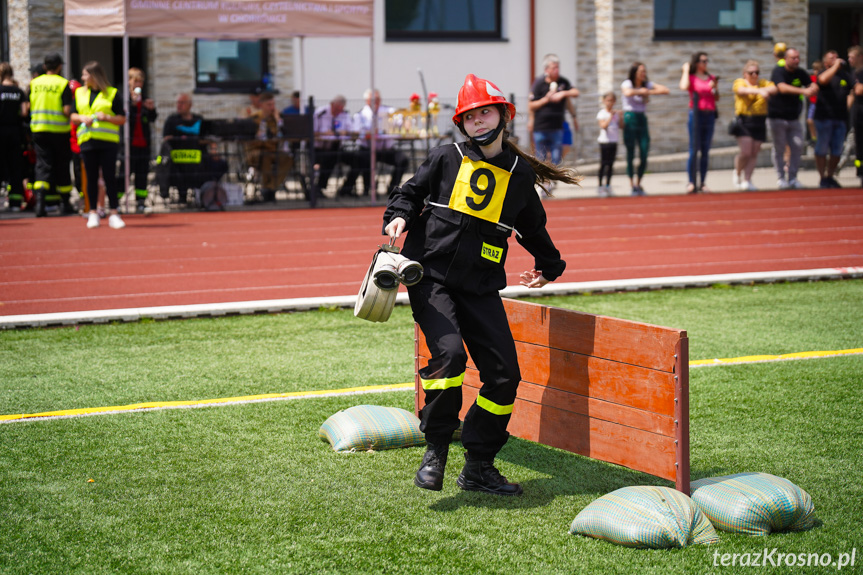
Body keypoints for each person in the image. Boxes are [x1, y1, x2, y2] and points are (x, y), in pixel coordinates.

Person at [383, 74, 580, 496]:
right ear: (461, 124)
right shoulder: (444, 157)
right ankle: (436, 449)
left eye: (485, 112)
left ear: (503, 115)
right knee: (450, 358)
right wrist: (396, 217)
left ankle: (479, 465)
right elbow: (409, 193)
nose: (477, 121)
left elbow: (533, 229)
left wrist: (551, 266)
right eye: (469, 116)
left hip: (481, 287)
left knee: (505, 376)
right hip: (431, 280)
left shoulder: (519, 175)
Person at [70, 61, 127, 230]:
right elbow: (73, 115)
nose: (82, 78)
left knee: (110, 177)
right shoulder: (80, 93)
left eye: (85, 74)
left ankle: (114, 213)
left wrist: (107, 117)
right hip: (88, 141)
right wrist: (81, 118)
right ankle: (93, 212)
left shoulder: (112, 93)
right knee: (91, 178)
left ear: (94, 76)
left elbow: (122, 118)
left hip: (108, 142)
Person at [28, 53, 74, 216]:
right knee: (62, 165)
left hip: (39, 130)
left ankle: (40, 203)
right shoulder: (63, 84)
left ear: (45, 66)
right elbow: (66, 110)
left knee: (43, 165)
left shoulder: (34, 83)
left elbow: (27, 107)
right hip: (59, 131)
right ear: (59, 66)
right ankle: (65, 203)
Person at [767, 47, 818, 189]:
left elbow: (811, 83)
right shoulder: (778, 71)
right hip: (777, 117)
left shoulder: (800, 72)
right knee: (780, 147)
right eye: (793, 58)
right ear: (786, 59)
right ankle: (781, 178)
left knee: (797, 145)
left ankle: (793, 178)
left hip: (794, 118)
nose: (796, 60)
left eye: (798, 58)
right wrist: (804, 91)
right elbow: (782, 88)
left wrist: (813, 87)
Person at [620, 62, 670, 195]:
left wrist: (648, 91)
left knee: (644, 150)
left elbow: (665, 90)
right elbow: (627, 92)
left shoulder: (646, 85)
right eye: (641, 71)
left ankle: (639, 182)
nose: (643, 74)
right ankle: (632, 184)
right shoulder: (627, 83)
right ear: (634, 72)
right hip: (630, 118)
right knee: (630, 152)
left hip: (642, 118)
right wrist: (639, 91)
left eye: (644, 71)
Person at [351, 88, 410, 197]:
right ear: (367, 101)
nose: (375, 102)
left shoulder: (388, 111)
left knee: (403, 160)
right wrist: (371, 133)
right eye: (373, 99)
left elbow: (401, 118)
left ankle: (392, 188)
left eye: (377, 99)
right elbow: (357, 132)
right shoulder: (360, 115)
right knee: (363, 159)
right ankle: (367, 190)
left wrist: (406, 122)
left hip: (386, 149)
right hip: (367, 149)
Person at [732, 60, 776, 191]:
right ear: (745, 74)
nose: (754, 75)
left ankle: (747, 179)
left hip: (759, 119)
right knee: (746, 151)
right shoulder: (740, 82)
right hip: (745, 120)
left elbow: (774, 88)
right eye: (751, 73)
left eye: (757, 72)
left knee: (754, 151)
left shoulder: (762, 83)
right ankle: (738, 172)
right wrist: (759, 92)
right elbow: (741, 90)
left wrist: (761, 89)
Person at [528, 54, 580, 166]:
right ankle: (544, 180)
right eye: (553, 68)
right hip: (541, 126)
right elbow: (531, 105)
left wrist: (563, 93)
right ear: (546, 69)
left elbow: (576, 93)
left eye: (558, 67)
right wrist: (546, 99)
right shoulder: (539, 83)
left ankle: (552, 180)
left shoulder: (563, 82)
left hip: (557, 126)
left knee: (556, 156)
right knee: (540, 157)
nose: (556, 70)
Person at [680, 52, 719, 193]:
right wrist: (685, 70)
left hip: (709, 115)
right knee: (693, 149)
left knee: (705, 150)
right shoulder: (691, 77)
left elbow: (717, 97)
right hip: (696, 115)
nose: (705, 63)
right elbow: (684, 86)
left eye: (707, 61)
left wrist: (714, 87)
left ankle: (702, 182)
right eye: (703, 61)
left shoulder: (711, 78)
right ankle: (691, 182)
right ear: (696, 62)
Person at [814, 50, 854, 189]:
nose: (837, 59)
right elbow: (823, 80)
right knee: (822, 148)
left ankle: (830, 176)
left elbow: (852, 90)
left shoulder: (845, 75)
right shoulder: (822, 73)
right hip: (824, 118)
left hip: (840, 118)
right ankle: (822, 177)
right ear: (826, 63)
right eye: (832, 58)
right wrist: (835, 66)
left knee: (837, 150)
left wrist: (847, 107)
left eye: (837, 57)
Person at [245, 91, 292, 202]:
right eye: (269, 105)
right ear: (261, 105)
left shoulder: (276, 119)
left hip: (273, 151)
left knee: (288, 159)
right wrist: (268, 143)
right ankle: (267, 189)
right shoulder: (254, 118)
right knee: (264, 157)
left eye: (273, 104)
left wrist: (278, 120)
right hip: (256, 152)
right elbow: (252, 141)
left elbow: (282, 136)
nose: (272, 107)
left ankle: (270, 188)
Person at [161, 93, 205, 204]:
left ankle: (204, 194)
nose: (179, 105)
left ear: (190, 105)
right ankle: (182, 196)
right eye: (178, 103)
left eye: (182, 103)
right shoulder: (172, 120)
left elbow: (206, 137)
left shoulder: (199, 120)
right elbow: (165, 139)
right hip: (177, 161)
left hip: (197, 159)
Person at [312, 95, 360, 197]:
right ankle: (319, 188)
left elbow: (353, 132)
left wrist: (345, 132)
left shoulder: (344, 114)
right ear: (332, 105)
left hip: (337, 148)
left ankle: (346, 188)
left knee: (359, 160)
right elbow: (311, 133)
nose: (339, 112)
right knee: (330, 158)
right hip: (320, 149)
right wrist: (324, 134)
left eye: (341, 109)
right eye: (337, 109)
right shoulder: (320, 113)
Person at [126, 67, 157, 213]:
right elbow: (125, 119)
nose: (138, 84)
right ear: (129, 82)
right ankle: (119, 201)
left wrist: (151, 109)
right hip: (128, 144)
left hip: (143, 143)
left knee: (142, 174)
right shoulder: (124, 100)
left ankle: (140, 201)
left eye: (140, 81)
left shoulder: (145, 100)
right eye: (135, 81)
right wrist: (131, 104)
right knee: (124, 174)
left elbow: (152, 119)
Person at [0, 62, 28, 211]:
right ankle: (16, 202)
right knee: (15, 167)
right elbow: (24, 112)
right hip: (15, 132)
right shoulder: (19, 91)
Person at [596, 91, 622, 197]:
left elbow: (621, 126)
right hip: (604, 142)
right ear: (604, 101)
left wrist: (621, 116)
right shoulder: (602, 113)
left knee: (611, 165)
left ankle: (608, 185)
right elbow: (603, 126)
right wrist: (611, 116)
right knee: (603, 164)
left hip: (613, 141)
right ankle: (600, 185)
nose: (609, 103)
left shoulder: (616, 114)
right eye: (608, 101)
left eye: (612, 101)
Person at [850, 45, 863, 187]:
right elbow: (853, 92)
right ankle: (860, 172)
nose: (849, 60)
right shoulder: (853, 74)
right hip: (857, 114)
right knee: (859, 144)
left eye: (852, 57)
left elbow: (858, 90)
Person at [806, 60, 823, 145]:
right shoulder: (811, 78)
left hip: (820, 104)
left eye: (818, 69)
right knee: (810, 120)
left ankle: (819, 138)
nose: (815, 71)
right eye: (814, 69)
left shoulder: (823, 79)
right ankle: (814, 138)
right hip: (813, 103)